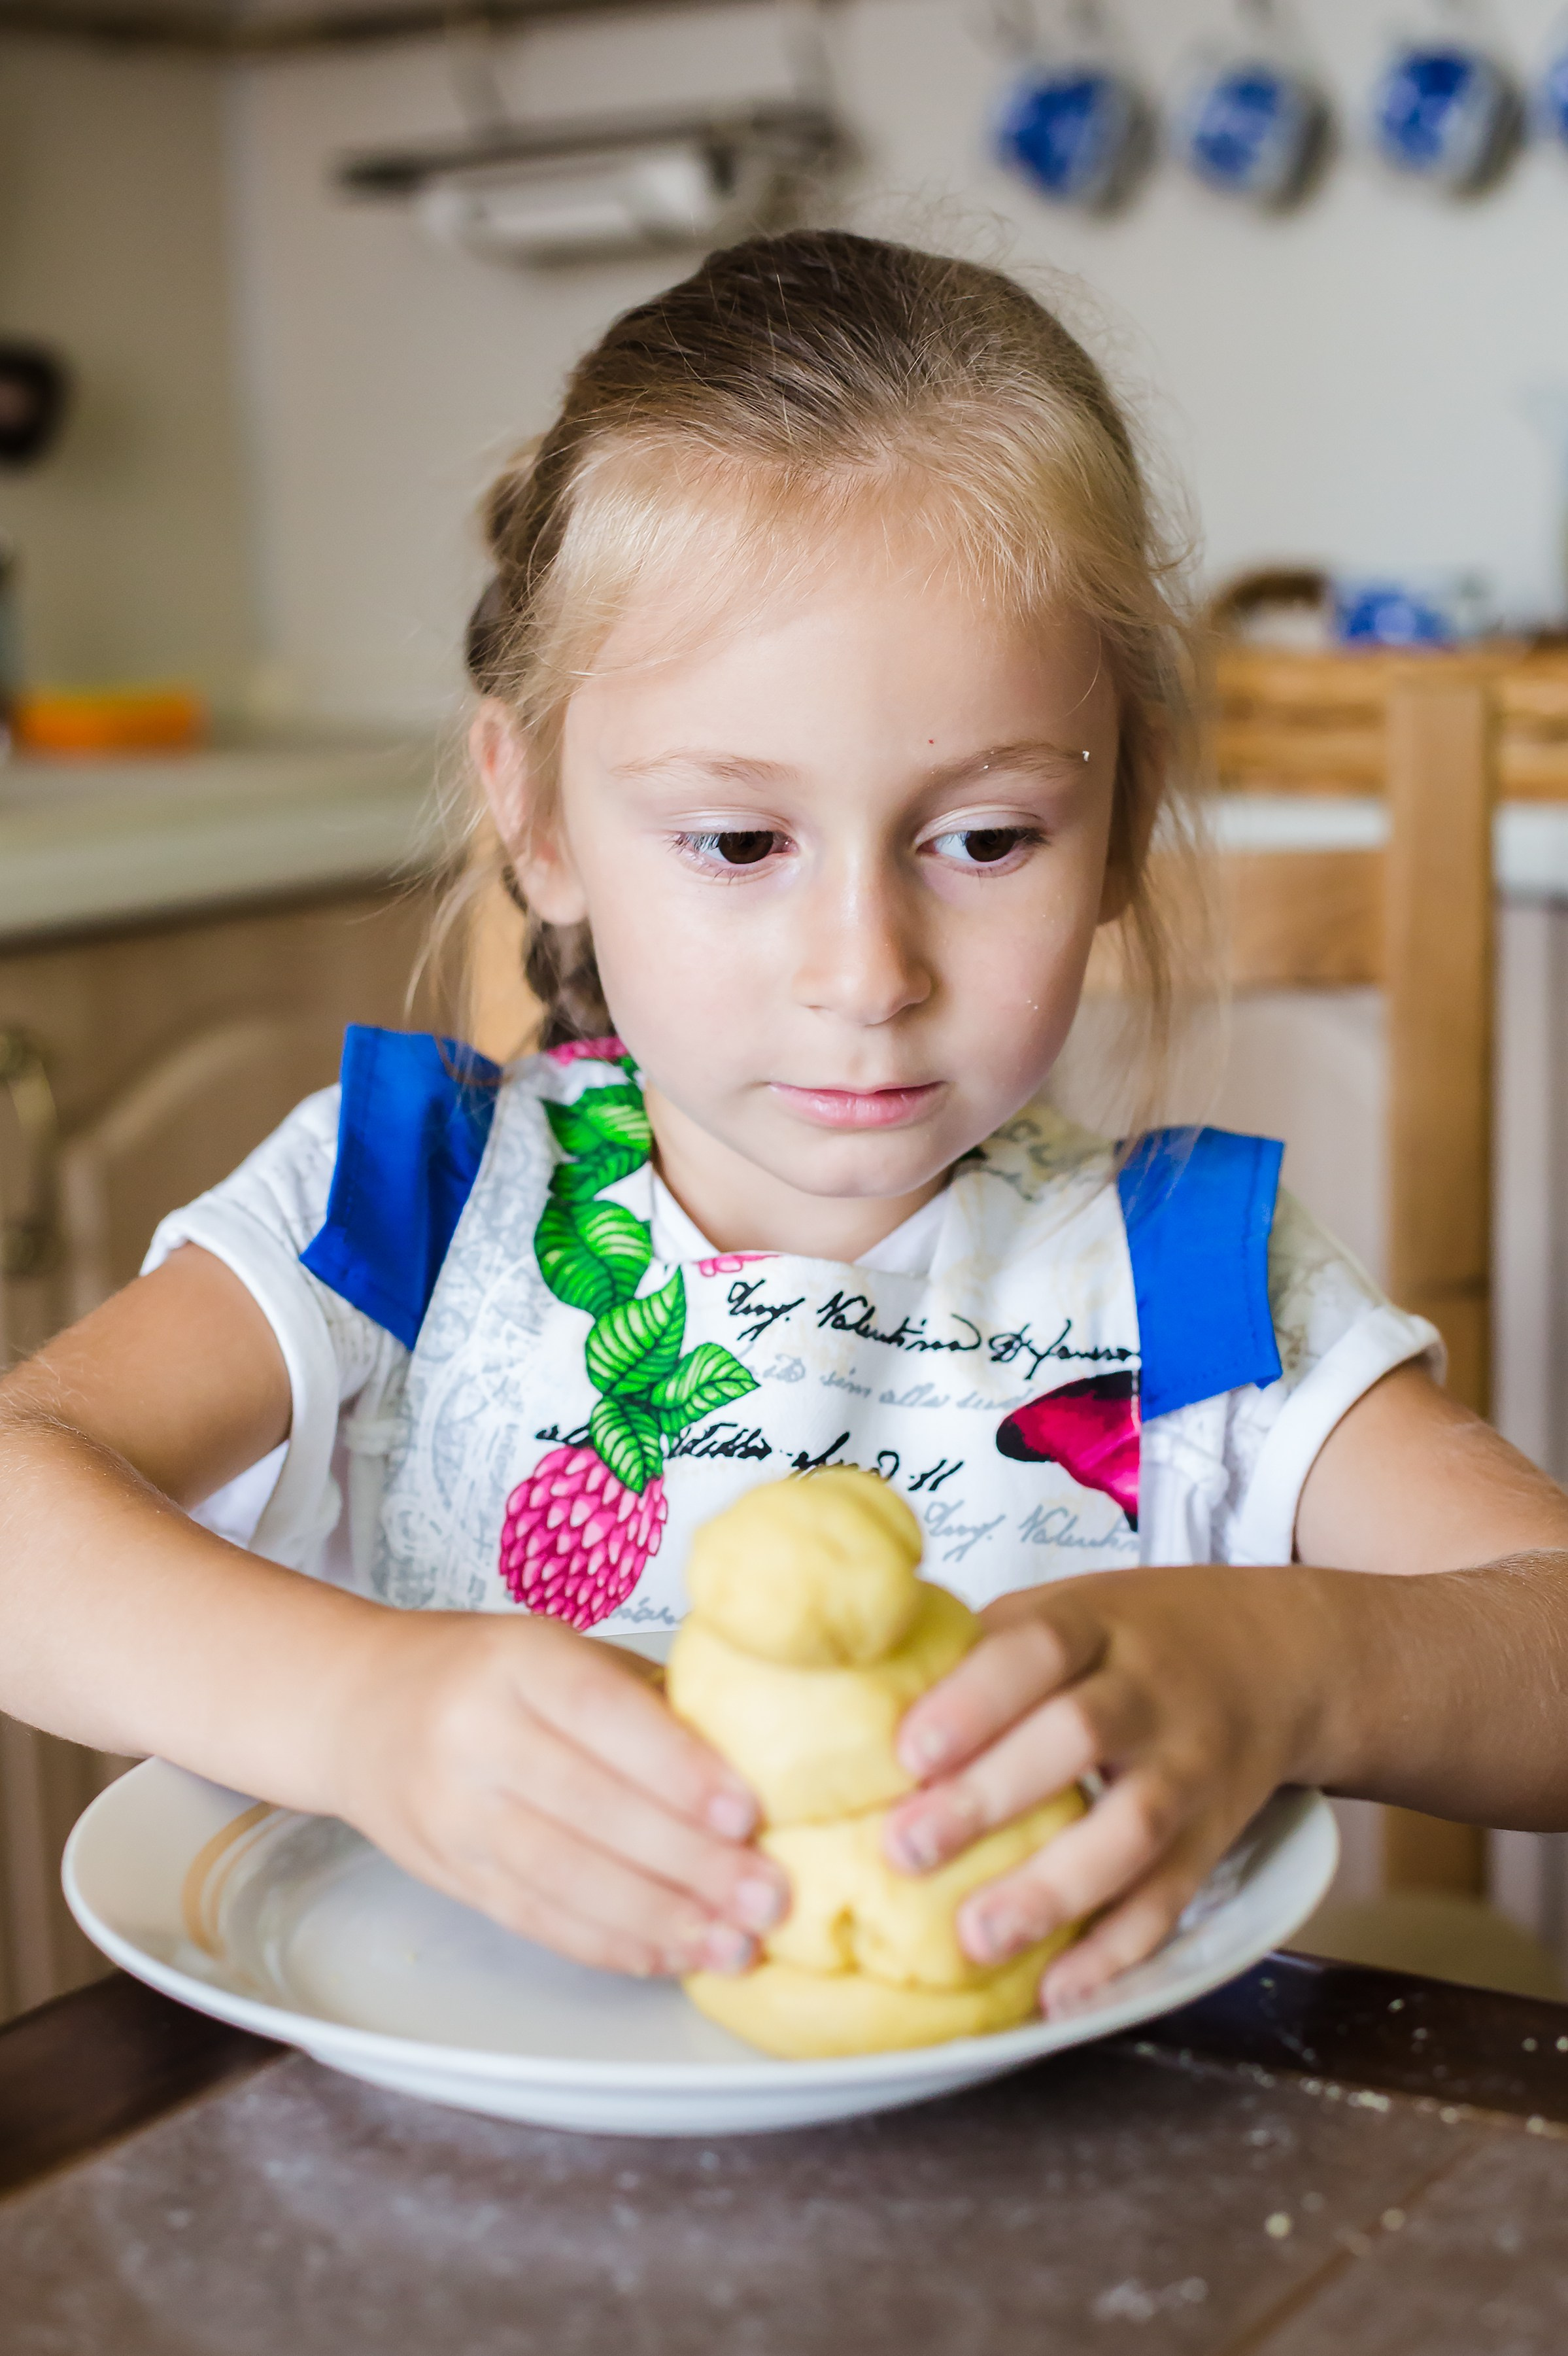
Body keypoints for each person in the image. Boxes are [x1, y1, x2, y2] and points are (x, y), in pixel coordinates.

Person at [4, 231, 1566, 2017]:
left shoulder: (1190, 1279)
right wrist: (360, 1707)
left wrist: (1298, 1665)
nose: (865, 970)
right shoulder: (407, 1196)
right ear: (543, 817)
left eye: (982, 839)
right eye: (741, 843)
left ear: (1122, 812)